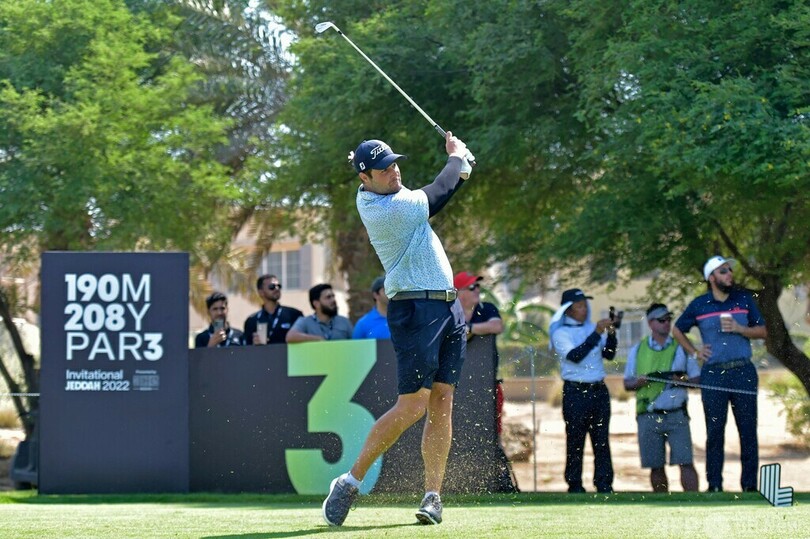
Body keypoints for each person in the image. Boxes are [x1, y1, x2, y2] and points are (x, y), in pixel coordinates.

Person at [322, 133, 469, 527]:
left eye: (394, 163)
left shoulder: (396, 195)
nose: (394, 171)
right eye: (383, 169)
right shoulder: (382, 208)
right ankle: (350, 482)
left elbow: (445, 187)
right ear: (364, 178)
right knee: (413, 405)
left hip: (448, 306)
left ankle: (433, 496)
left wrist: (461, 169)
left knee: (442, 400)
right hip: (415, 309)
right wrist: (456, 158)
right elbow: (438, 193)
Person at [672, 255, 767, 492]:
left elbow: (763, 331)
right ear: (711, 278)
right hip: (714, 373)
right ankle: (714, 485)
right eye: (723, 271)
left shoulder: (743, 299)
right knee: (715, 431)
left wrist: (740, 328)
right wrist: (695, 352)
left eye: (729, 270)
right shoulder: (700, 304)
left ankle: (749, 486)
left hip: (743, 371)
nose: (729, 274)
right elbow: (677, 330)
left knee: (748, 431)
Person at [624, 303, 700, 492]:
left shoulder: (682, 347)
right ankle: (662, 502)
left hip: (677, 414)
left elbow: (697, 380)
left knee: (686, 462)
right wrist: (640, 382)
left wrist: (681, 381)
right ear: (651, 323)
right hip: (648, 414)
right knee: (655, 466)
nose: (666, 323)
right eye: (661, 320)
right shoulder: (637, 349)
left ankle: (695, 502)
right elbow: (627, 383)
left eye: (668, 319)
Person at [549, 288, 617, 494]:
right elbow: (575, 356)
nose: (584, 309)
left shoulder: (591, 327)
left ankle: (604, 483)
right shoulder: (561, 333)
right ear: (568, 310)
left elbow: (609, 354)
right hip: (575, 392)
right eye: (579, 306)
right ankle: (575, 483)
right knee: (575, 439)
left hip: (598, 390)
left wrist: (611, 334)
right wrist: (597, 333)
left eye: (584, 305)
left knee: (601, 439)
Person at [243, 274, 303, 345]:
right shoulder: (252, 321)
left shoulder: (294, 315)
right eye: (272, 287)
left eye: (279, 286)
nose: (277, 289)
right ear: (261, 292)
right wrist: (255, 344)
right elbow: (247, 347)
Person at [286, 283, 353, 342]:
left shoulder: (344, 322)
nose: (333, 300)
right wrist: (317, 339)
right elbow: (290, 336)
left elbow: (355, 343)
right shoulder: (305, 322)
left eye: (333, 296)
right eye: (328, 297)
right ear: (316, 304)